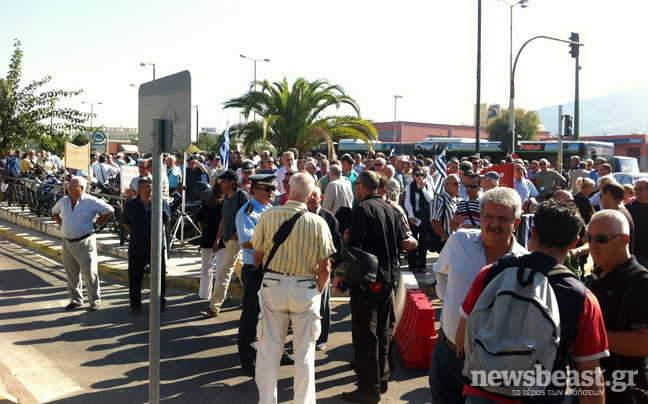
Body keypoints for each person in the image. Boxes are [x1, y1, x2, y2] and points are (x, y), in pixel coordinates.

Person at [456, 201, 609, 403]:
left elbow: (461, 340)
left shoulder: (490, 273)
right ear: (573, 243)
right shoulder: (583, 298)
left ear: (533, 233)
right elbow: (590, 376)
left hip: (483, 393)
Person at [430, 187, 528, 404]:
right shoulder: (459, 241)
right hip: (448, 355)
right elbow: (441, 274)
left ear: (517, 223)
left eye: (503, 218)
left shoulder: (524, 263)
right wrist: (451, 305)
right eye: (488, 216)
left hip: (494, 365)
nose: (494, 223)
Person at [252, 172, 335, 404]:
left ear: (288, 191)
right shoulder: (318, 222)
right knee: (304, 352)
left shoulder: (268, 215)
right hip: (305, 289)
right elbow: (325, 267)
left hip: (273, 285)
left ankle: (266, 401)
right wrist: (317, 291)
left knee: (268, 351)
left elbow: (257, 256)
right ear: (310, 195)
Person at [333, 171, 415, 403]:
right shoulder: (391, 208)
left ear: (361, 186)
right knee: (382, 331)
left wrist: (340, 271)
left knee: (365, 334)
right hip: (387, 278)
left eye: (356, 185)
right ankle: (381, 378)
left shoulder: (363, 209)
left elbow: (355, 249)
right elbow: (401, 240)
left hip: (368, 281)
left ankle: (369, 388)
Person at [584, 210, 648, 402]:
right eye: (589, 237)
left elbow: (644, 343)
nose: (592, 245)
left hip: (627, 393)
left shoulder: (639, 281)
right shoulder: (596, 276)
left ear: (624, 240)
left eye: (601, 238)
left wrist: (589, 336)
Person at [236, 174, 286, 376]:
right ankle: (248, 360)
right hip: (254, 268)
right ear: (254, 191)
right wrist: (273, 244)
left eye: (273, 189)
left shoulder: (269, 209)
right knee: (252, 315)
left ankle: (277, 353)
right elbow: (247, 242)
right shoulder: (247, 212)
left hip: (272, 267)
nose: (272, 192)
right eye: (268, 189)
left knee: (275, 315)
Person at [51, 176, 114, 311]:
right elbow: (54, 212)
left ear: (82, 188)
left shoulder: (90, 201)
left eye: (73, 185)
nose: (69, 187)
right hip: (67, 242)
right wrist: (61, 224)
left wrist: (98, 223)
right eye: (69, 184)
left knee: (90, 273)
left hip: (84, 242)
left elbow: (109, 210)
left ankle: (94, 300)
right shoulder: (64, 201)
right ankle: (75, 299)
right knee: (71, 273)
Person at [198, 170, 250, 318]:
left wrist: (236, 234)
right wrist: (218, 239)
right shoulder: (226, 198)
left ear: (231, 182)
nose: (219, 183)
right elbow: (223, 220)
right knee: (240, 270)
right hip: (228, 239)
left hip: (237, 240)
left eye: (222, 181)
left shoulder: (241, 196)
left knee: (224, 271)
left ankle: (214, 306)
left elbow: (247, 217)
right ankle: (252, 297)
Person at [122, 177, 171, 315]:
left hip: (156, 247)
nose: (150, 190)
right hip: (137, 247)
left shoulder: (161, 203)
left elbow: (167, 219)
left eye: (152, 187)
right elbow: (126, 223)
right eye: (148, 187)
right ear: (140, 189)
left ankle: (160, 302)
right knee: (135, 277)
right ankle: (135, 304)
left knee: (159, 277)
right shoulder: (131, 205)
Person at [306, 186, 342, 351]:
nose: (312, 198)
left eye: (315, 195)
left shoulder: (329, 217)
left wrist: (331, 266)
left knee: (323, 304)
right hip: (304, 269)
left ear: (320, 197)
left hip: (323, 267)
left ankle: (321, 337)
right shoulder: (301, 215)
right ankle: (306, 336)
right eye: (309, 195)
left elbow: (337, 245)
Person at [196, 183, 226, 299]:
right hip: (220, 236)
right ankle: (219, 294)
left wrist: (204, 231)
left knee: (206, 267)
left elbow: (200, 219)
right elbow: (223, 223)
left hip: (207, 235)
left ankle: (204, 294)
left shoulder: (207, 201)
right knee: (220, 267)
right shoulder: (224, 204)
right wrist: (218, 239)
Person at [405, 165, 434, 273]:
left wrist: (423, 188)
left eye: (421, 175)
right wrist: (411, 215)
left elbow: (430, 199)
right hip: (414, 215)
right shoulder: (409, 187)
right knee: (413, 241)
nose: (419, 177)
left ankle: (422, 265)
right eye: (417, 175)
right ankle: (412, 264)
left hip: (425, 216)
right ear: (413, 176)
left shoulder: (427, 185)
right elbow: (408, 202)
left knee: (423, 242)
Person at [601, 181, 635, 254]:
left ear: (608, 195)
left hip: (614, 263)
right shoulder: (623, 212)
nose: (601, 200)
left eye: (601, 195)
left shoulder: (615, 215)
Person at [430, 174, 461, 249]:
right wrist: (447, 239)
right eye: (456, 183)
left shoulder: (459, 199)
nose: (458, 186)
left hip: (459, 242)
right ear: (447, 185)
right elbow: (434, 221)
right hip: (446, 243)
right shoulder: (440, 199)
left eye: (459, 183)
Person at [626, 178, 648, 267]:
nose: (637, 191)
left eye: (640, 189)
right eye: (636, 188)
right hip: (634, 253)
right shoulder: (628, 208)